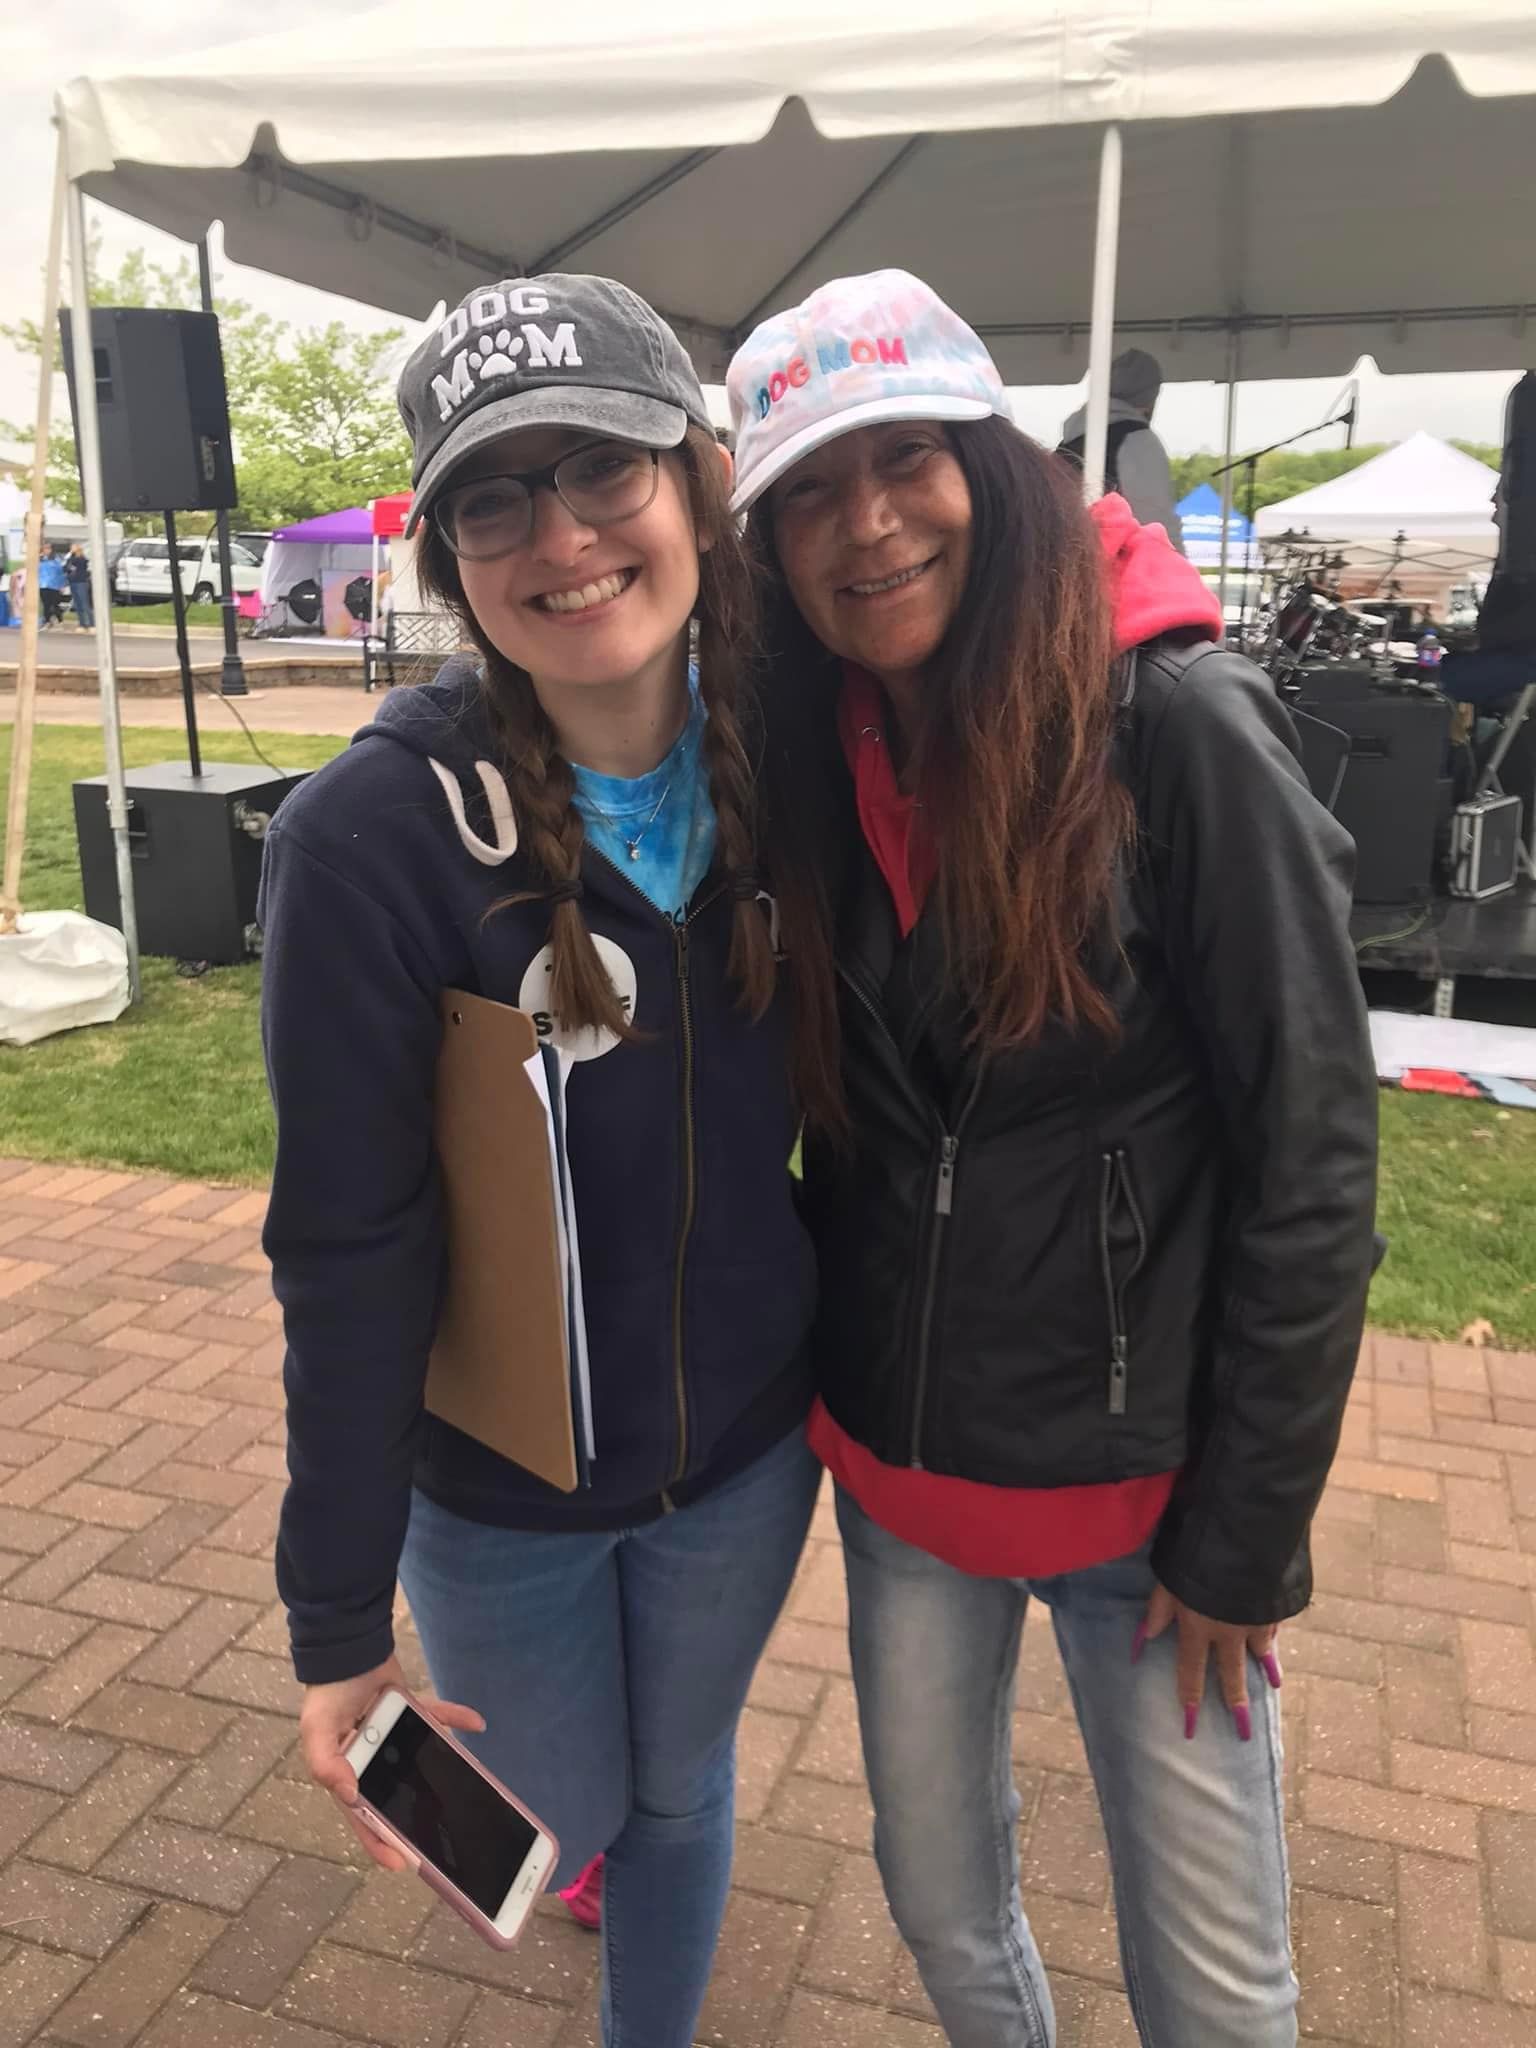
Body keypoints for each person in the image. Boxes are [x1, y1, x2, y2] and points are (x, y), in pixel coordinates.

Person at [728, 270, 1378, 2048]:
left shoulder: (1176, 723)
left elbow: (1315, 1159)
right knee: (943, 1913)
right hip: (906, 1485)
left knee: (1220, 1992)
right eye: (805, 491)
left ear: (995, 464)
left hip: (1153, 1511)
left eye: (909, 459)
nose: (865, 522)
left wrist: (1244, 1538)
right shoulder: (809, 736)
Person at [260, 272, 819, 2048]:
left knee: (680, 1791)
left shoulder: (805, 762)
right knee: (552, 1823)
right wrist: (337, 1614)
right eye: (496, 496)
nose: (562, 539)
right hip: (496, 1506)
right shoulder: (372, 836)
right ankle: (586, 1858)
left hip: (742, 1454)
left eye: (602, 471)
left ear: (696, 482)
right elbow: (345, 1246)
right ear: (444, 547)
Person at [1059, 346, 1185, 551]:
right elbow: (1157, 523)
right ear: (1150, 398)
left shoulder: (1072, 439)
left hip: (1069, 563)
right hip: (1115, 567)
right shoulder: (1139, 441)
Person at [35, 541, 68, 625]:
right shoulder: (39, 560)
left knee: (55, 604)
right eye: (45, 548)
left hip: (54, 585)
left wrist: (62, 585)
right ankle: (47, 621)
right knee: (46, 604)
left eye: (48, 548)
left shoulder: (56, 560)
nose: (46, 550)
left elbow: (61, 573)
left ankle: (60, 620)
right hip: (43, 584)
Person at [63, 543, 93, 629]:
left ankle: (91, 622)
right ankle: (82, 623)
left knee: (84, 603)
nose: (72, 549)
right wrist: (69, 561)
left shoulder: (82, 559)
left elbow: (79, 565)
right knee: (77, 604)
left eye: (73, 548)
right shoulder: (70, 558)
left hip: (81, 582)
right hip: (73, 582)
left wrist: (71, 565)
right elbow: (65, 568)